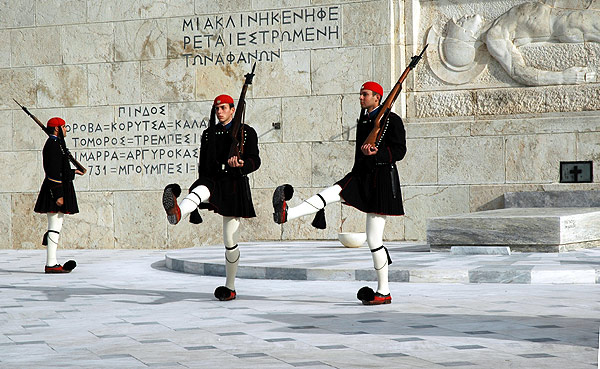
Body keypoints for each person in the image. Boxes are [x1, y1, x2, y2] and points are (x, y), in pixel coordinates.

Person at [272, 81, 406, 305]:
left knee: (374, 240)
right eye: (361, 94)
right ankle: (287, 213)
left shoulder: (393, 120)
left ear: (377, 97)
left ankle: (384, 292)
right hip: (360, 175)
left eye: (365, 95)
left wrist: (378, 152)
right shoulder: (364, 119)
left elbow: (400, 150)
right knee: (330, 193)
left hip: (381, 180)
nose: (361, 98)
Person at [162, 94, 261, 301]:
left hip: (234, 184)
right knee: (198, 191)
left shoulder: (246, 132)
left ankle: (230, 287)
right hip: (213, 180)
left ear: (233, 110)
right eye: (217, 109)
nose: (220, 112)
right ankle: (178, 211)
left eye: (224, 108)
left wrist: (242, 164)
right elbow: (204, 164)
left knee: (229, 240)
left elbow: (255, 160)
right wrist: (202, 180)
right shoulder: (209, 133)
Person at [34, 117, 84, 273]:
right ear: (57, 128)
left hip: (59, 188)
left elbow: (60, 169)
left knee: (55, 226)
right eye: (64, 127)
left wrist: (73, 171)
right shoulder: (53, 145)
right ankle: (51, 264)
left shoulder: (57, 144)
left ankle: (52, 262)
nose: (66, 129)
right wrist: (58, 195)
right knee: (54, 226)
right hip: (55, 190)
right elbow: (52, 172)